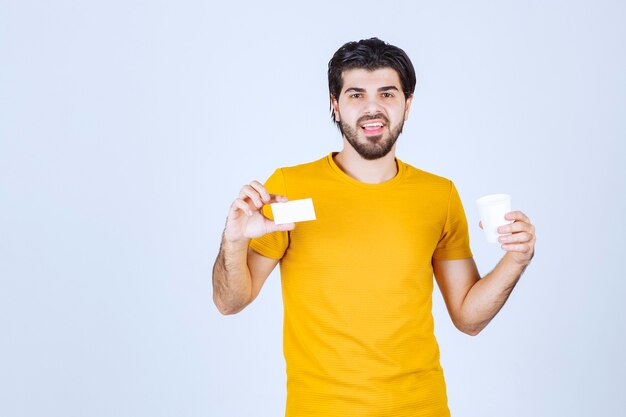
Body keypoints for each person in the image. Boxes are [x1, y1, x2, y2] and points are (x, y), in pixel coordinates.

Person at [212, 37, 536, 417]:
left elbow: (468, 318)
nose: (372, 108)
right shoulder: (288, 189)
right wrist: (233, 241)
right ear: (335, 106)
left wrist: (516, 260)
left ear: (407, 105)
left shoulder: (439, 195)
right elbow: (229, 302)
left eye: (387, 93)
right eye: (355, 95)